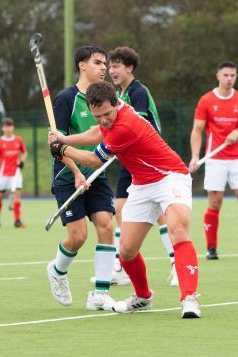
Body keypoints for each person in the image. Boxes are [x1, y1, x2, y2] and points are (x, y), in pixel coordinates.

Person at [50, 81, 201, 318]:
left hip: (170, 177)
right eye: (97, 115)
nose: (103, 120)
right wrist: (64, 138)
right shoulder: (110, 118)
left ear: (116, 104)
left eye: (107, 114)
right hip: (141, 184)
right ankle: (143, 297)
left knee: (178, 229)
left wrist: (62, 150)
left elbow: (94, 161)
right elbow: (96, 132)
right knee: (127, 250)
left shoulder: (126, 125)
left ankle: (189, 299)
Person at [47, 45, 116, 311]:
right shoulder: (66, 99)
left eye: (105, 64)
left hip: (97, 174)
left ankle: (100, 292)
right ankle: (57, 271)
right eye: (98, 62)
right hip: (68, 176)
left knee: (106, 225)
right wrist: (76, 173)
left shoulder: (105, 97)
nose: (103, 68)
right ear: (81, 65)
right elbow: (56, 146)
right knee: (78, 237)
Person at [108, 46, 178, 286]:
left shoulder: (139, 92)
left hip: (148, 159)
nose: (111, 70)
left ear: (130, 67)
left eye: (116, 65)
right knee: (119, 209)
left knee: (159, 214)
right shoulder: (119, 95)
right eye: (110, 65)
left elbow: (138, 126)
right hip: (129, 160)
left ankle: (176, 262)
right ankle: (121, 266)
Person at [189, 60, 238, 260]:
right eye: (225, 75)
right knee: (214, 204)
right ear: (218, 76)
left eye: (233, 75)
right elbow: (197, 130)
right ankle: (211, 249)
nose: (229, 79)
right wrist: (195, 156)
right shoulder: (206, 100)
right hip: (215, 159)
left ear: (236, 77)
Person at [0, 117, 27, 228]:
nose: (8, 128)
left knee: (17, 197)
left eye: (10, 126)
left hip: (16, 174)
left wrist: (22, 161)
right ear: (2, 128)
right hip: (3, 174)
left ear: (13, 127)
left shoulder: (18, 140)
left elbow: (24, 153)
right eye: (6, 126)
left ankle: (17, 220)